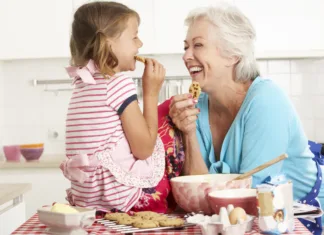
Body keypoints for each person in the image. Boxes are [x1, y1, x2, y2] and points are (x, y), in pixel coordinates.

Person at [168, 3, 323, 234]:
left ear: (233, 55)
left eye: (198, 45)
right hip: (236, 219)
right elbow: (197, 192)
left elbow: (252, 199)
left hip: (299, 216)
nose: (186, 55)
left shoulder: (265, 101)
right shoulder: (197, 107)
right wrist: (188, 132)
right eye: (186, 46)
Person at [60, 1, 184, 214]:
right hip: (124, 199)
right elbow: (144, 149)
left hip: (86, 200)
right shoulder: (117, 83)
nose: (140, 43)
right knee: (171, 127)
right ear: (109, 43)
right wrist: (151, 93)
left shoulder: (81, 84)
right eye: (134, 36)